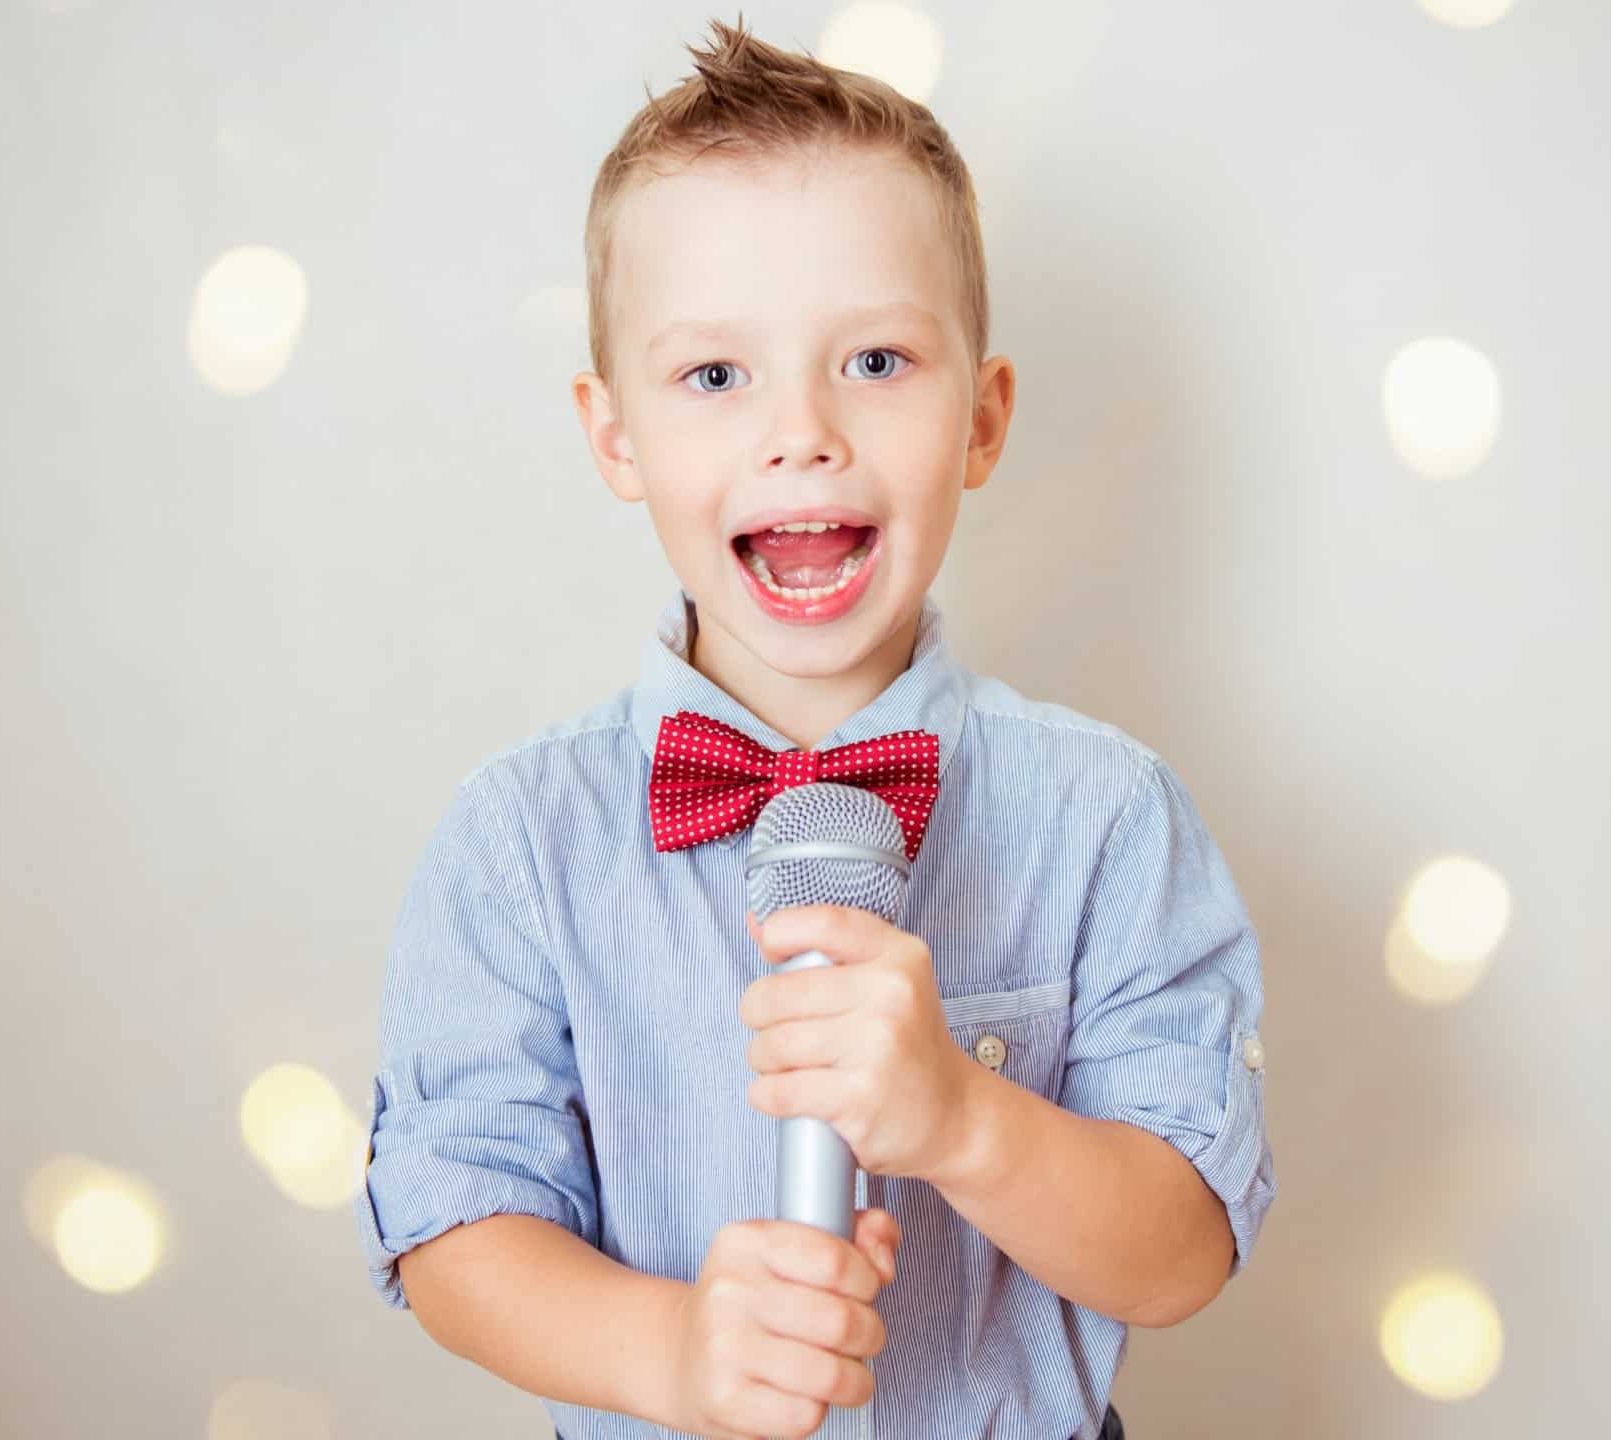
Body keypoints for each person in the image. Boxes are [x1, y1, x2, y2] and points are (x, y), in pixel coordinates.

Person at [353, 17, 1273, 1439]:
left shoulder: (1108, 818)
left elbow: (1183, 1250)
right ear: (615, 435)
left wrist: (967, 1119)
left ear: (983, 417)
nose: (803, 434)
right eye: (715, 377)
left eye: (878, 363)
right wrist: (670, 1351)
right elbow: (452, 1224)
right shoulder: (520, 842)